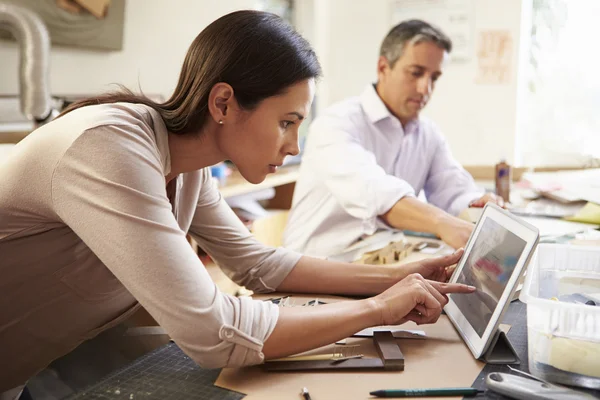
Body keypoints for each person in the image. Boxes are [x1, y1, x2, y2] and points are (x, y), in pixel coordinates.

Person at [0, 11, 475, 398]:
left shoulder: (187, 166)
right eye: (286, 122)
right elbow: (213, 331)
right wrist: (375, 310)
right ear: (224, 103)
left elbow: (258, 265)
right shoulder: (110, 148)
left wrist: (399, 278)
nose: (293, 146)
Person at [283, 19, 505, 259]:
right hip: (313, 269)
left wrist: (477, 203)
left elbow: (452, 191)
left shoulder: (428, 135)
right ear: (383, 67)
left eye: (434, 78)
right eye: (416, 73)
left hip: (379, 263)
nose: (425, 89)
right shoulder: (336, 123)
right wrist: (442, 223)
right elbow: (375, 193)